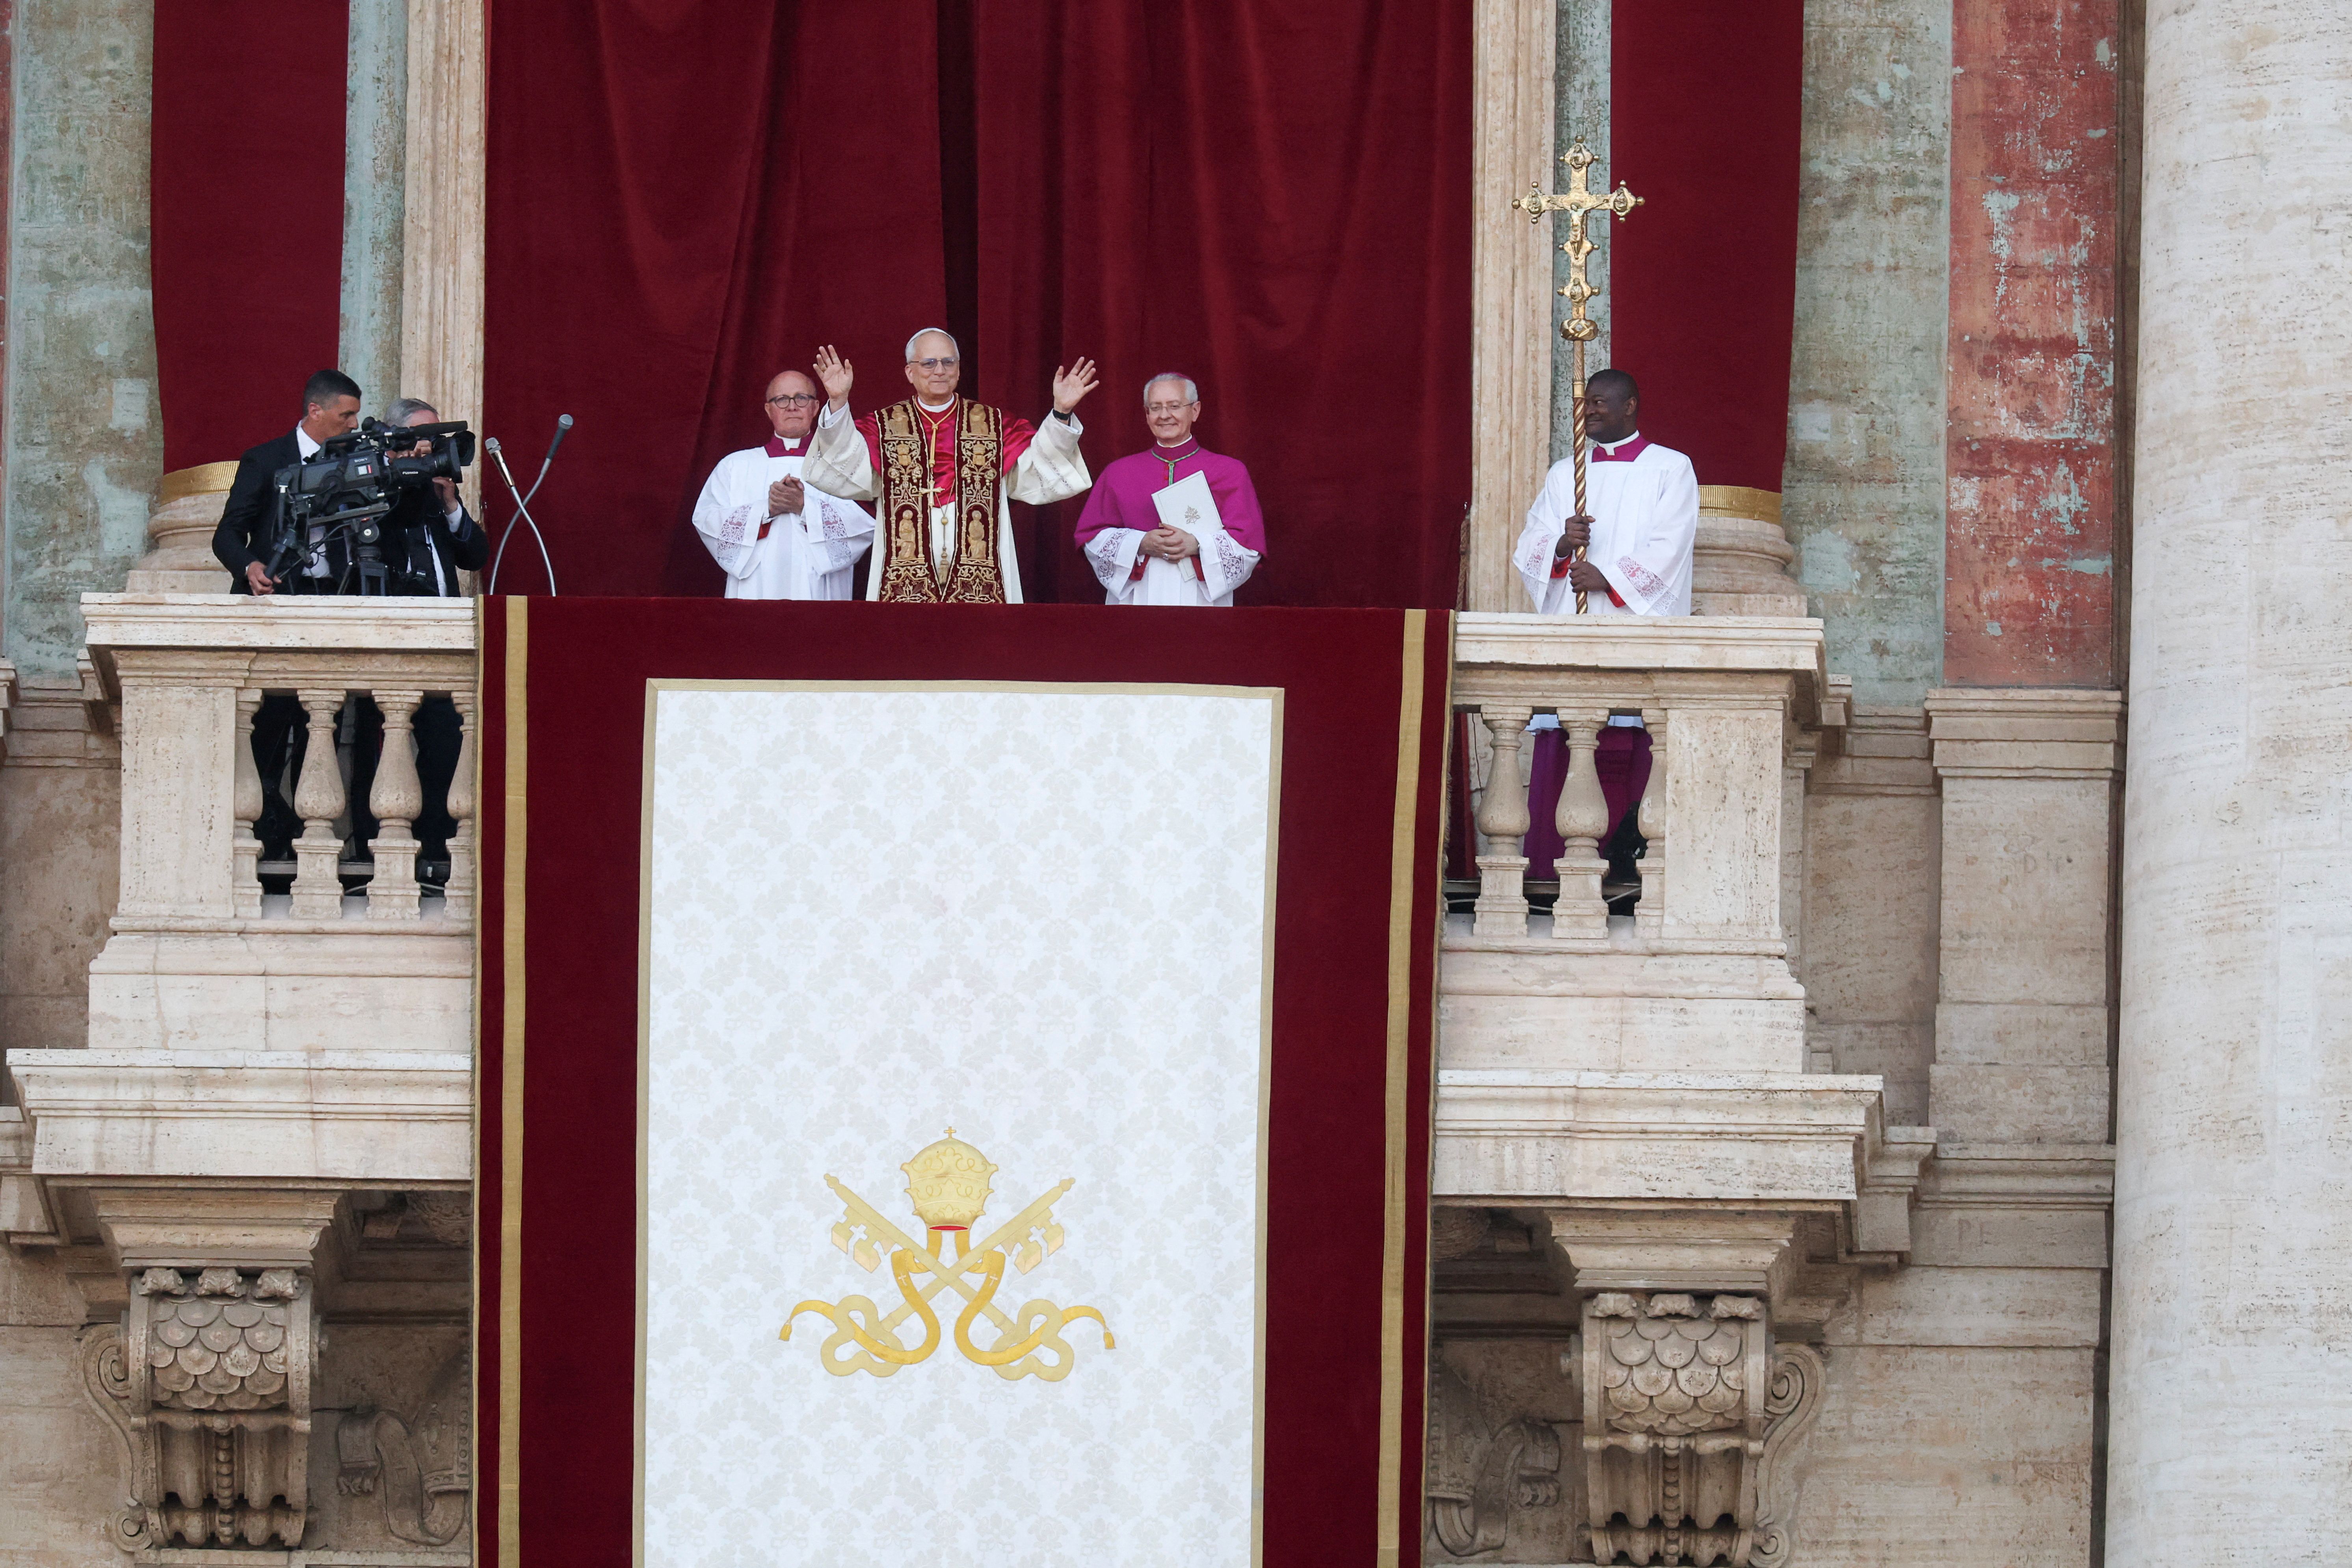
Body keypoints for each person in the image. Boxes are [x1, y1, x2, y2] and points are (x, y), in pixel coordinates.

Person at [804, 330, 1095, 603]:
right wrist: (838, 401)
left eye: (948, 362)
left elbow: (1038, 469)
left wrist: (1061, 412)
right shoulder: (882, 427)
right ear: (910, 371)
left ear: (958, 368)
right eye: (929, 363)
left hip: (982, 570)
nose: (939, 370)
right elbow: (843, 464)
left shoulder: (994, 425)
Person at [1511, 368, 1698, 616]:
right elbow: (1531, 541)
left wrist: (1609, 580)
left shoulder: (1671, 467)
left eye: (1598, 402)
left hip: (1634, 626)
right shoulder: (1565, 472)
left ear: (1629, 407)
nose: (1587, 411)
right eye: (1584, 403)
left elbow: (1672, 546)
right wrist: (1563, 544)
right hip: (1571, 615)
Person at [1073, 374, 1266, 606]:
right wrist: (1141, 543)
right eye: (1155, 408)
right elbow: (1091, 537)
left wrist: (1196, 544)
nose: (1164, 415)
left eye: (1174, 406)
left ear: (1195, 411)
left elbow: (1248, 544)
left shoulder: (1230, 471)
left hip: (1201, 597)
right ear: (1147, 415)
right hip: (1137, 596)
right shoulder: (1118, 472)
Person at [690, 370, 874, 598]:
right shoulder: (735, 465)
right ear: (769, 410)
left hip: (819, 590)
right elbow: (706, 520)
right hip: (755, 587)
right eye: (782, 399)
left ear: (815, 408)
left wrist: (805, 507)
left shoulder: (840, 466)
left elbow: (867, 523)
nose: (792, 407)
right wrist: (766, 510)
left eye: (801, 398)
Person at [214, 368, 363, 594]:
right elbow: (227, 533)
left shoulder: (358, 456)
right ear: (315, 411)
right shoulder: (265, 460)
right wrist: (250, 567)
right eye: (346, 415)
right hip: (279, 590)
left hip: (345, 592)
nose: (355, 424)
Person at [379, 396, 491, 597]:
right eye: (425, 436)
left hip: (446, 613)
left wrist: (451, 507)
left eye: (436, 437)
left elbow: (475, 559)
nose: (431, 445)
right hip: (393, 611)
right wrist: (404, 480)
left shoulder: (437, 483)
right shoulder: (375, 481)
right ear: (395, 439)